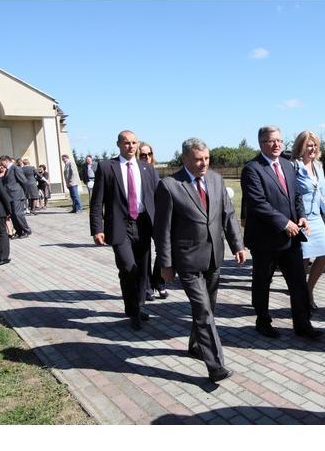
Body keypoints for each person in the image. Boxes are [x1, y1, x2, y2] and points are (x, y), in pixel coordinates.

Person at [154, 138, 246, 383]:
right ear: (185, 159)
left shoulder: (216, 179)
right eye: (198, 159)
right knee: (203, 311)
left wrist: (237, 245)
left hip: (214, 257)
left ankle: (195, 345)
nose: (204, 163)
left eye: (206, 158)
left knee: (208, 309)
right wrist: (166, 264)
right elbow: (162, 230)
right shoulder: (169, 185)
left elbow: (228, 214)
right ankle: (216, 366)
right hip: (187, 260)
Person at [241, 125, 323, 340]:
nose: (277, 144)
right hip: (265, 239)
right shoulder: (252, 169)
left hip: (291, 238)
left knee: (298, 282)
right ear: (261, 144)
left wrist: (301, 215)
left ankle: (303, 324)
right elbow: (257, 203)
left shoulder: (287, 165)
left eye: (279, 140)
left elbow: (296, 196)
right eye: (271, 141)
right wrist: (284, 223)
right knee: (262, 282)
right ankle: (263, 321)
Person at [89, 130, 157, 331]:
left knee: (142, 271)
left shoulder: (146, 168)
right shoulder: (107, 167)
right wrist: (97, 228)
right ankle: (133, 311)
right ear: (118, 144)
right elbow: (97, 201)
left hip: (143, 225)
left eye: (134, 143)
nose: (131, 146)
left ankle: (138, 306)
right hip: (120, 226)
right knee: (128, 268)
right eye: (126, 143)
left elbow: (157, 197)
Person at [291, 130, 325, 310]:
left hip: (317, 219)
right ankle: (300, 296)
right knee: (303, 260)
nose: (313, 148)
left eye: (315, 145)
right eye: (309, 145)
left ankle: (308, 290)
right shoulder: (293, 166)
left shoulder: (318, 166)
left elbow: (324, 196)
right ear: (300, 147)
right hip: (301, 220)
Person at [138, 141, 168, 300]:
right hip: (142, 218)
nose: (147, 157)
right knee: (144, 254)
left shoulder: (154, 171)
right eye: (143, 155)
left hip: (157, 217)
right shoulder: (134, 172)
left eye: (149, 154)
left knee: (164, 250)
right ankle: (147, 287)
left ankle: (159, 281)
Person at [1, 155, 32, 239]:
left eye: (2, 163)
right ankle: (19, 231)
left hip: (17, 195)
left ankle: (26, 230)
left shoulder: (15, 168)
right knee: (13, 215)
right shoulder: (8, 170)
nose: (1, 165)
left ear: (6, 161)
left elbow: (24, 181)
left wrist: (23, 193)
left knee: (18, 214)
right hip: (10, 196)